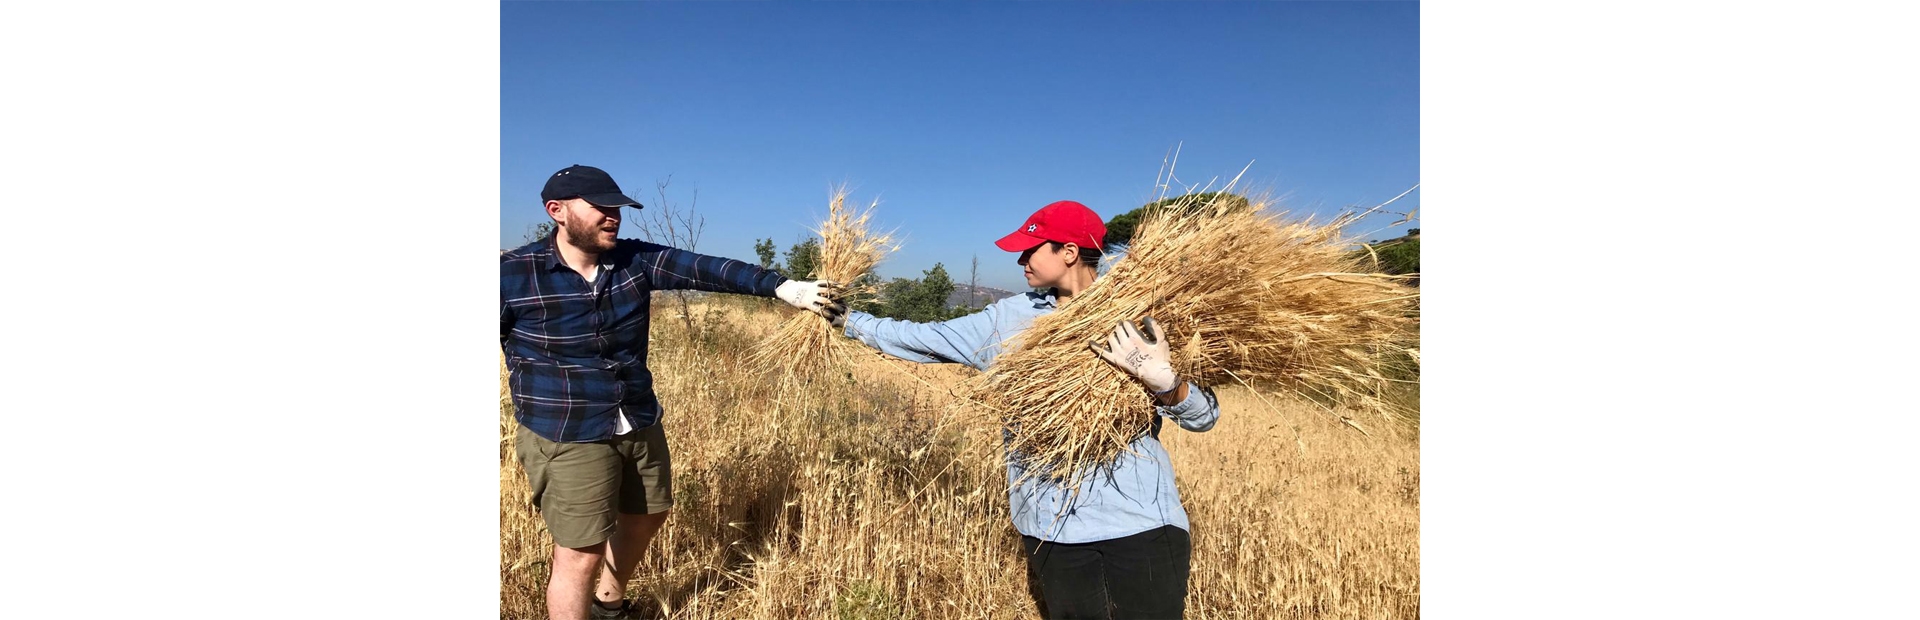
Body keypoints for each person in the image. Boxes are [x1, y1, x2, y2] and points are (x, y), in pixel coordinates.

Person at [829, 200, 1219, 619]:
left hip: (1141, 524)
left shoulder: (1145, 312)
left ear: (1068, 252)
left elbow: (1204, 416)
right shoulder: (1008, 320)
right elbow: (924, 338)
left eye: (1031, 249)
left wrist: (1165, 383)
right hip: (1052, 527)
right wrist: (846, 318)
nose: (1020, 260)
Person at [501, 165, 843, 620]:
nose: (613, 217)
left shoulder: (633, 261)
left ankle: (609, 604)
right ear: (556, 211)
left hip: (636, 416)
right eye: (601, 207)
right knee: (579, 554)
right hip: (568, 430)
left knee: (648, 514)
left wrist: (783, 287)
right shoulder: (511, 276)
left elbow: (705, 269)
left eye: (618, 209)